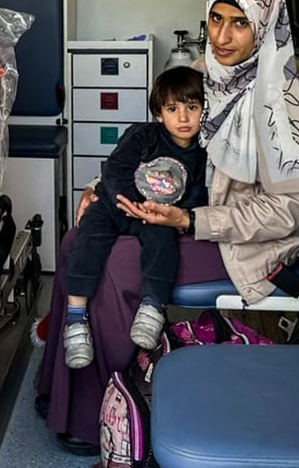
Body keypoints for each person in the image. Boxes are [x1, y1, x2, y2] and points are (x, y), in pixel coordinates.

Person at [36, 0, 299, 455]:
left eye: (240, 23)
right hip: (187, 213)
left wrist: (191, 221)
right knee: (74, 239)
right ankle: (60, 391)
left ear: (266, 26)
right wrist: (100, 189)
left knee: (118, 264)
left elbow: (285, 211)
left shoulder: (292, 100)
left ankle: (100, 418)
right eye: (216, 20)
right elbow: (158, 152)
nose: (223, 36)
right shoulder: (211, 81)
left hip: (246, 240)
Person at [63, 66, 207, 369]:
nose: (183, 118)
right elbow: (115, 169)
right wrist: (133, 202)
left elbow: (198, 194)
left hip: (157, 216)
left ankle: (152, 306)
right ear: (159, 113)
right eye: (172, 109)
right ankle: (76, 319)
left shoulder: (203, 153)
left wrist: (176, 215)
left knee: (163, 242)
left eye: (192, 108)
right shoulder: (143, 135)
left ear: (204, 110)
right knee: (86, 241)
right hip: (115, 205)